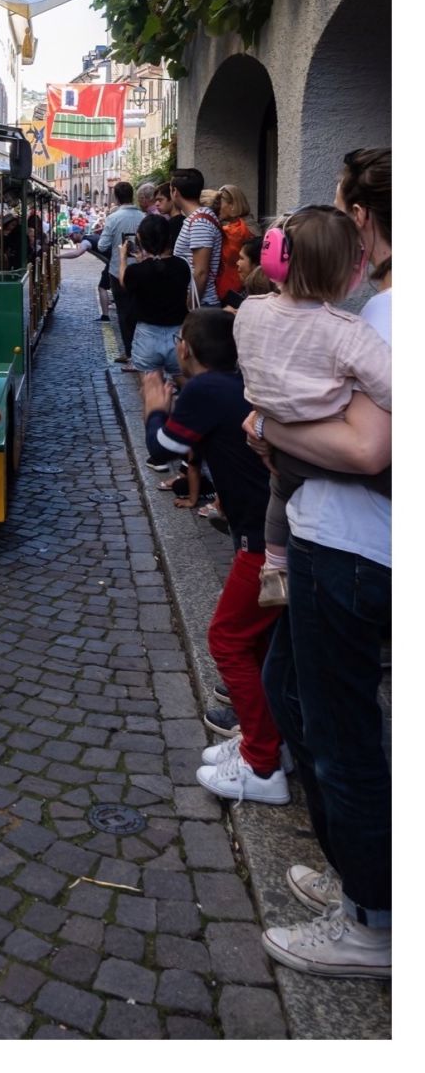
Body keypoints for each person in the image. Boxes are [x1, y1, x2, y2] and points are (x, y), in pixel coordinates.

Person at [254, 148, 392, 981]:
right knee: (306, 703)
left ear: (362, 227)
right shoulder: (359, 317)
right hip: (336, 536)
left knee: (341, 738)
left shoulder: (375, 318)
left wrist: (269, 429)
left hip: (347, 544)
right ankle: (360, 882)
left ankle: (372, 919)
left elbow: (371, 444)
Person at [140, 310, 290, 805]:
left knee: (227, 639)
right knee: (263, 645)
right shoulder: (233, 383)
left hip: (263, 539)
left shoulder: (206, 390)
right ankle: (265, 744)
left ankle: (263, 765)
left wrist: (153, 407)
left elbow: (161, 451)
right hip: (269, 528)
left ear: (186, 349)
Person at [234, 204, 390, 606]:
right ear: (349, 273)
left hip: (278, 442)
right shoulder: (349, 333)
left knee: (281, 491)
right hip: (324, 446)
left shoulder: (248, 310)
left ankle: (273, 567)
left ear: (275, 256)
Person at [123, 214, 190, 379]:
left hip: (148, 335)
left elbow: (125, 281)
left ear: (141, 241)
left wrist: (123, 258)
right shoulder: (182, 266)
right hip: (177, 333)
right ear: (169, 238)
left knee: (152, 388)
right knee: (182, 382)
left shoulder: (137, 271)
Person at [99, 182, 145, 367]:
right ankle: (140, 352)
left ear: (116, 197)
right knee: (140, 312)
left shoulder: (113, 218)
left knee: (124, 313)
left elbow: (102, 245)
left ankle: (130, 353)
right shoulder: (144, 216)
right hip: (142, 269)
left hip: (119, 271)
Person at [170, 168, 223, 307]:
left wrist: (190, 307)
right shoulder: (197, 218)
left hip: (202, 304)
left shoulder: (199, 222)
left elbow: (201, 272)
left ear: (175, 192)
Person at [212, 184, 256, 301]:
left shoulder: (238, 230)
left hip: (236, 289)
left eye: (219, 203)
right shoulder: (248, 225)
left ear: (232, 205)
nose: (216, 207)